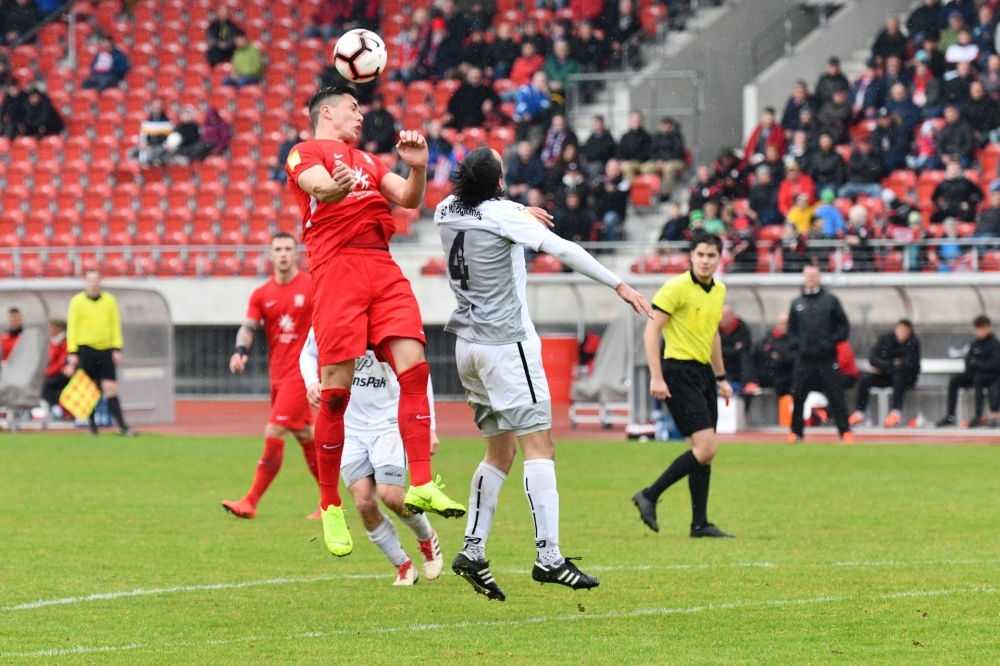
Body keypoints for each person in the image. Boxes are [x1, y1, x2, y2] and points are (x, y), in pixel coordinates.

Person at [435, 146, 652, 600]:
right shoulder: (503, 215)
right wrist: (619, 284)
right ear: (498, 183)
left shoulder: (445, 209)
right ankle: (548, 555)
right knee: (541, 446)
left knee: (499, 452)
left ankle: (473, 549)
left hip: (467, 346)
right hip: (506, 345)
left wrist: (516, 209)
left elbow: (486, 207)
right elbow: (564, 248)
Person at [284, 86, 465, 558]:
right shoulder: (304, 152)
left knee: (414, 367)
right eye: (353, 108)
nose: (360, 115)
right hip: (337, 269)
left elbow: (408, 198)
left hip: (380, 264)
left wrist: (418, 167)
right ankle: (329, 505)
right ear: (326, 112)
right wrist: (338, 184)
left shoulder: (369, 160)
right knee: (336, 393)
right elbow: (321, 188)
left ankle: (421, 482)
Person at [300, 329, 444, 586]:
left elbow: (419, 373)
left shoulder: (388, 319)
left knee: (391, 495)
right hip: (348, 426)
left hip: (389, 423)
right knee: (363, 502)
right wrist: (311, 381)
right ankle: (403, 565)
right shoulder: (335, 316)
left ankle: (426, 538)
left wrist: (429, 426)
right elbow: (308, 352)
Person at [633, 232, 735, 539]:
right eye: (700, 254)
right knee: (706, 447)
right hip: (678, 372)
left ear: (719, 259)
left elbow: (713, 335)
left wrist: (721, 377)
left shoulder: (719, 290)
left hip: (703, 373)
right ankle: (649, 495)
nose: (705, 260)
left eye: (711, 255)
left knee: (705, 452)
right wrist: (656, 376)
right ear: (691, 256)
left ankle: (700, 524)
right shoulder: (675, 287)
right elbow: (651, 332)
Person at [222, 234, 319, 520]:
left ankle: (250, 501)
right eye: (278, 249)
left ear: (296, 254)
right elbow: (248, 326)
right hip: (277, 374)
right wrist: (240, 351)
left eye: (288, 248)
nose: (283, 253)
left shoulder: (311, 285)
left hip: (302, 374)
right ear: (271, 255)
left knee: (275, 430)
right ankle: (330, 501)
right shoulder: (262, 293)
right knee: (305, 434)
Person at [64, 270, 136, 437]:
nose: (93, 283)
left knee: (110, 388)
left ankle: (122, 426)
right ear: (86, 282)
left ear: (100, 281)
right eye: (90, 279)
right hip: (85, 349)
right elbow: (72, 327)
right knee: (89, 389)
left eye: (96, 279)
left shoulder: (109, 301)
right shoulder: (77, 302)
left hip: (105, 350)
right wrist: (72, 351)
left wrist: (117, 348)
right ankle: (92, 427)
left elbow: (115, 325)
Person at [786, 266, 853, 444]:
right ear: (803, 278)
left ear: (819, 278)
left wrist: (830, 342)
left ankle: (845, 431)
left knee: (836, 394)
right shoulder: (797, 302)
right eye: (808, 275)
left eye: (814, 275)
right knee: (798, 395)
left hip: (827, 357)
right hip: (804, 359)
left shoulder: (830, 300)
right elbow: (792, 331)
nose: (811, 278)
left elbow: (844, 327)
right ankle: (796, 432)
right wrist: (799, 346)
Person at [850, 320, 921, 428]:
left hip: (905, 379)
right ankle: (859, 412)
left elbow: (909, 364)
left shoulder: (913, 343)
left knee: (898, 376)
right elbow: (873, 358)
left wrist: (887, 365)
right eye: (901, 330)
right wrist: (890, 364)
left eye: (906, 332)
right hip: (886, 375)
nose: (903, 334)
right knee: (865, 380)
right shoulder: (886, 339)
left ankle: (896, 412)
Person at [936, 315, 1000, 428]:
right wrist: (978, 364)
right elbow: (969, 362)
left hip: (990, 377)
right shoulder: (974, 344)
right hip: (974, 374)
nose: (979, 331)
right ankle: (950, 416)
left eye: (982, 327)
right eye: (977, 328)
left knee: (979, 379)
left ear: (988, 328)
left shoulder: (994, 344)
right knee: (954, 381)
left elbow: (994, 365)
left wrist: (978, 363)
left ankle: (978, 415)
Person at [718, 305, 758, 394]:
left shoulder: (742, 327)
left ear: (733, 316)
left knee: (746, 356)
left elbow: (746, 346)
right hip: (722, 362)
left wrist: (724, 348)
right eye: (722, 316)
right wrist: (733, 348)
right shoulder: (714, 329)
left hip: (738, 364)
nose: (725, 319)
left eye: (727, 316)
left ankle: (748, 384)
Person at [647, 117, 687, 201]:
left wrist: (664, 160)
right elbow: (651, 151)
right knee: (645, 168)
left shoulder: (677, 137)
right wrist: (657, 160)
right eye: (663, 125)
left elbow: (677, 152)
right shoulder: (657, 136)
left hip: (675, 161)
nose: (665, 127)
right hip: (659, 161)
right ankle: (652, 191)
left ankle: (666, 193)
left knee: (668, 168)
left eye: (667, 125)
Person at [754, 312, 795, 396]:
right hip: (770, 377)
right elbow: (760, 349)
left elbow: (790, 356)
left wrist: (775, 353)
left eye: (787, 323)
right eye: (782, 323)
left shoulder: (793, 339)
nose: (785, 325)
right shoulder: (770, 337)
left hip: (786, 378)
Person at [591, 158, 630, 242]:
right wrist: (606, 189)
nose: (612, 171)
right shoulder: (600, 180)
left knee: (609, 218)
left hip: (616, 212)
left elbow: (621, 196)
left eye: (615, 168)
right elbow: (594, 192)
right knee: (586, 217)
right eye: (611, 168)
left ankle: (609, 246)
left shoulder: (623, 181)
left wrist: (612, 191)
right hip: (599, 211)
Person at [40, 319, 69, 420]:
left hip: (63, 373)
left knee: (45, 387)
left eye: (52, 328)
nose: (50, 330)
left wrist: (47, 372)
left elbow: (62, 362)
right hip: (52, 373)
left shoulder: (65, 342)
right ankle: (56, 409)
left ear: (59, 329)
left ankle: (58, 410)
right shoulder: (51, 342)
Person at [617, 111, 652, 179]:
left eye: (638, 121)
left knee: (627, 167)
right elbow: (620, 150)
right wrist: (621, 159)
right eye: (634, 121)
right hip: (627, 161)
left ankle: (634, 185)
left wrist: (631, 159)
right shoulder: (625, 136)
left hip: (641, 162)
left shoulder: (646, 136)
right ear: (630, 122)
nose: (636, 123)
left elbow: (647, 153)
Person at [580, 115, 616, 180]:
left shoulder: (607, 137)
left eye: (598, 122)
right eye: (595, 123)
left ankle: (593, 185)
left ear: (602, 124)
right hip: (589, 162)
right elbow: (585, 149)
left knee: (593, 169)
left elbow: (605, 152)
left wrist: (591, 157)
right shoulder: (591, 137)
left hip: (601, 162)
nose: (596, 125)